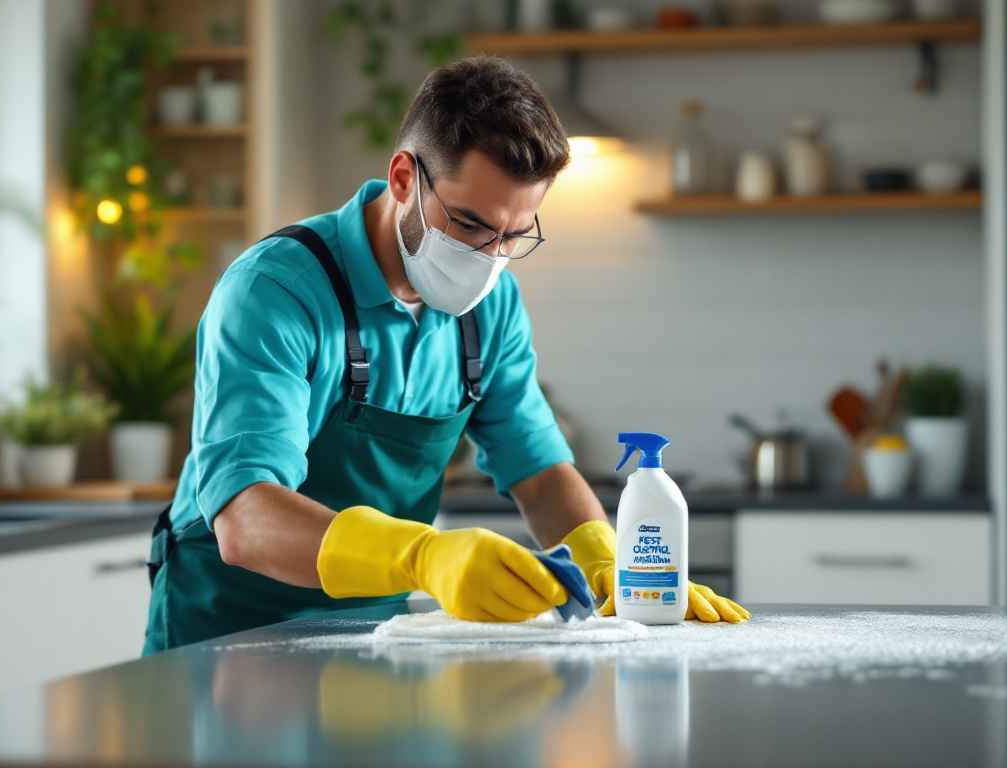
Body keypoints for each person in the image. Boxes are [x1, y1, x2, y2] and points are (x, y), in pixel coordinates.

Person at [143, 56, 747, 655]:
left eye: (515, 234)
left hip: (376, 637)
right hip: (228, 635)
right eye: (468, 224)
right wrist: (421, 555)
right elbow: (246, 521)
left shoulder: (493, 304)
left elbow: (538, 473)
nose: (489, 257)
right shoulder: (274, 293)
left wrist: (606, 564)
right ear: (404, 178)